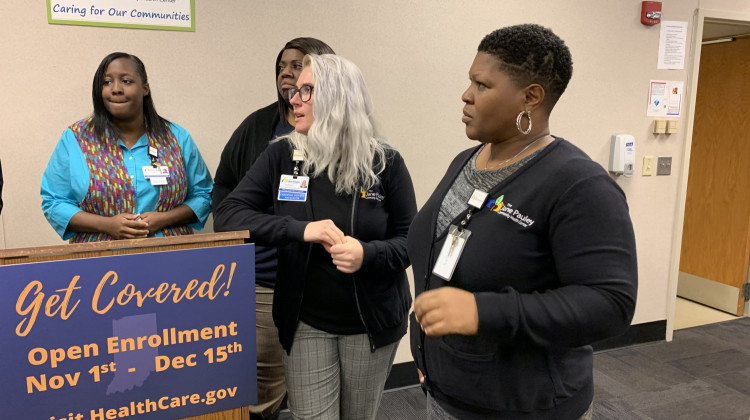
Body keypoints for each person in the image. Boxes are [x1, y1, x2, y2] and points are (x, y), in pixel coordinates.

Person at [408, 24, 638, 420]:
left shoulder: (580, 184)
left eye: (481, 85)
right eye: (470, 82)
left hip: (522, 406)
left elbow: (610, 303)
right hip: (447, 391)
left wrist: (484, 311)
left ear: (530, 97)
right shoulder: (467, 161)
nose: (466, 95)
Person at [215, 54, 417, 420]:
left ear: (340, 96)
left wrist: (366, 255)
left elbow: (409, 241)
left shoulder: (384, 162)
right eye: (294, 90)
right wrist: (300, 230)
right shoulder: (282, 155)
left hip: (370, 324)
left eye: (307, 90)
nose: (293, 98)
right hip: (306, 321)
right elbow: (228, 215)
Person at [212, 37, 334, 420]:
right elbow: (225, 188)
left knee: (310, 379)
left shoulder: (343, 138)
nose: (287, 72)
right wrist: (247, 235)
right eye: (282, 65)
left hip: (320, 278)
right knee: (264, 376)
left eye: (298, 66)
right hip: (266, 274)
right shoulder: (259, 128)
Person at [41, 52, 212, 242]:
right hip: (99, 263)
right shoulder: (76, 138)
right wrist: (107, 225)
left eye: (126, 81)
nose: (116, 89)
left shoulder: (176, 137)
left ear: (145, 88)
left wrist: (165, 219)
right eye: (106, 82)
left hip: (169, 257)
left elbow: (203, 195)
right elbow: (54, 202)